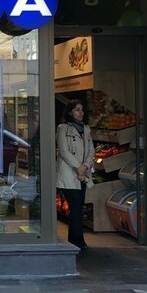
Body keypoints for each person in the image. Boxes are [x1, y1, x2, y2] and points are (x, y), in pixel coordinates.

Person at [56, 100, 94, 250]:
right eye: (77, 110)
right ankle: (77, 240)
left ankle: (75, 239)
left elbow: (91, 150)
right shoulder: (63, 128)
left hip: (82, 173)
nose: (80, 112)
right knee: (76, 206)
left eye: (82, 110)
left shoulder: (86, 129)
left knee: (78, 206)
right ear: (70, 112)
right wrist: (78, 168)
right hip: (70, 173)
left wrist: (85, 166)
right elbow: (64, 152)